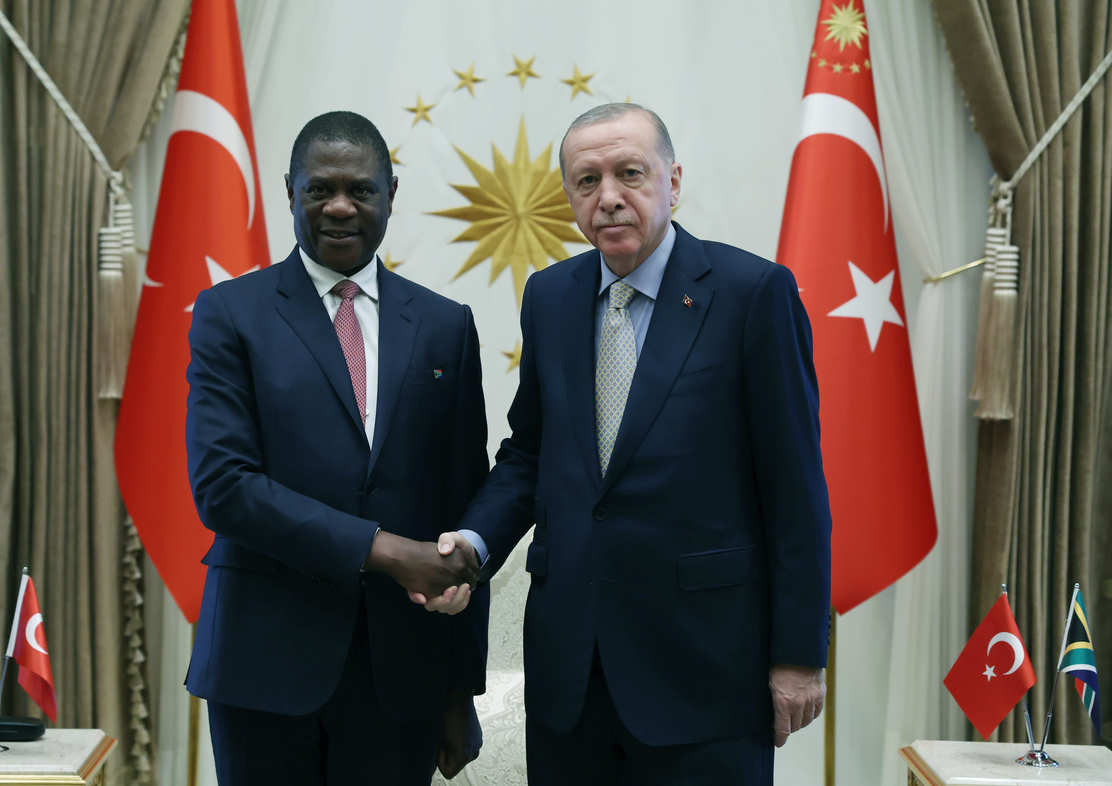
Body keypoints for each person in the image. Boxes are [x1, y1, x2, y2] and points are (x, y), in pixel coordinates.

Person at [429, 103, 832, 785]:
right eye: (587, 181)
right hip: (572, 674)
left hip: (704, 671)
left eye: (630, 173)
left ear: (673, 180)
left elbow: (794, 485)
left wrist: (799, 655)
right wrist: (472, 543)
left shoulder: (752, 292)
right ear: (569, 199)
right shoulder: (551, 297)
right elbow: (530, 453)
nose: (608, 196)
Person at [185, 111, 490, 785]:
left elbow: (463, 502)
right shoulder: (230, 313)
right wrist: (385, 552)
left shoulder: (445, 327)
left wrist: (458, 689)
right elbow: (224, 487)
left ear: (392, 193)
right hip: (263, 665)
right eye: (319, 189)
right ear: (289, 190)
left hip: (402, 676)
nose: (340, 207)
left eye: (361, 189)